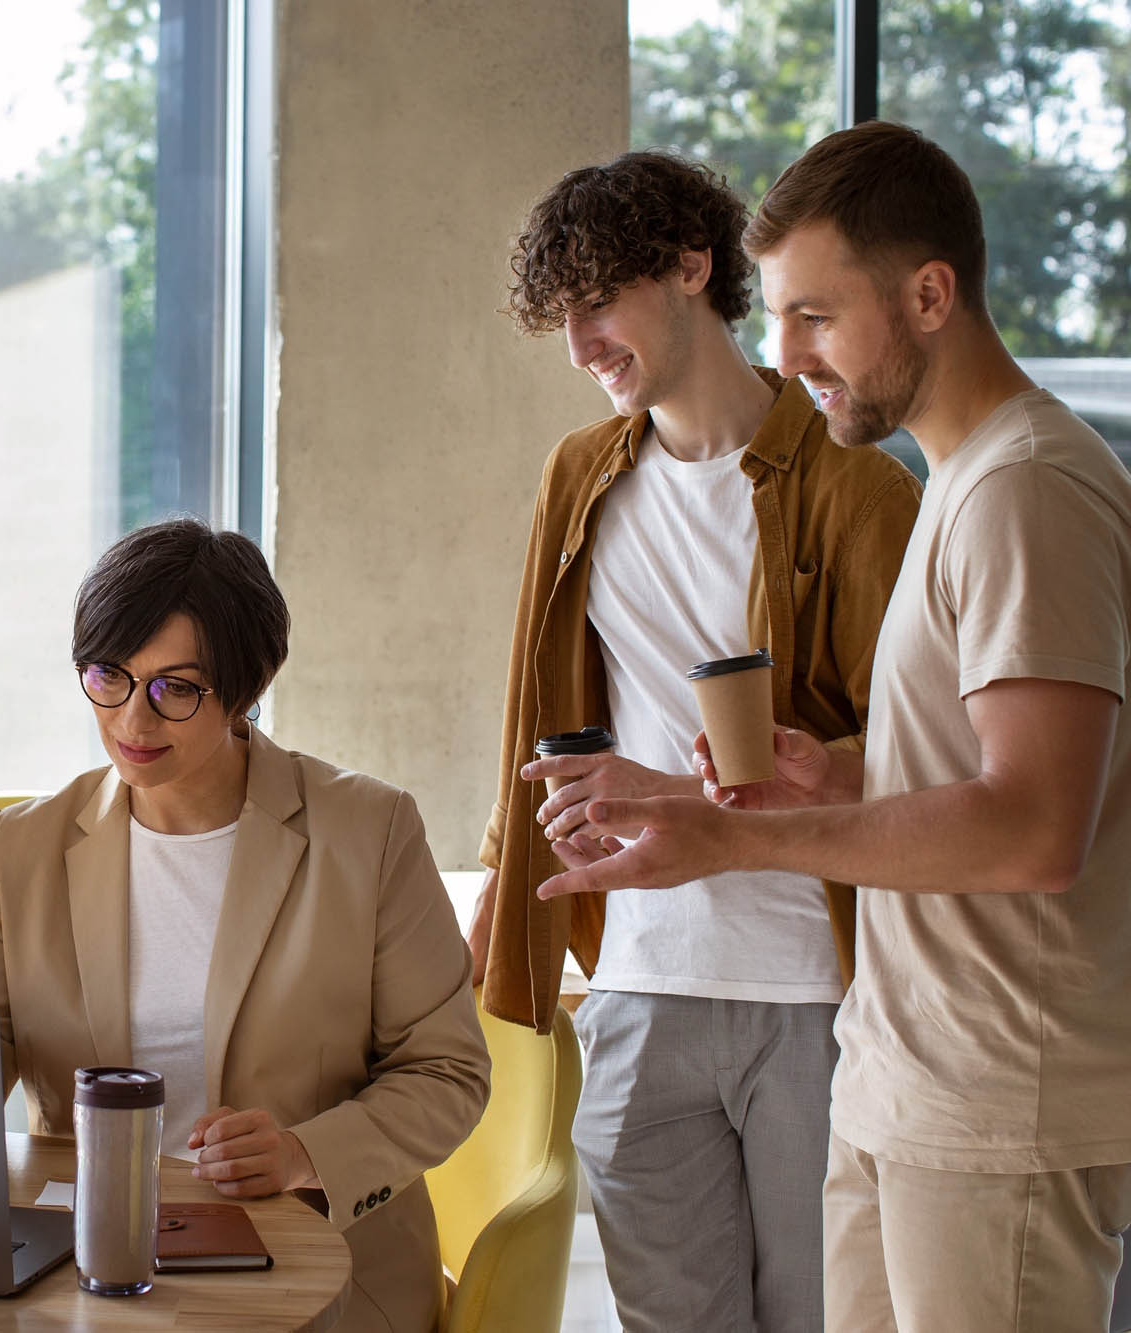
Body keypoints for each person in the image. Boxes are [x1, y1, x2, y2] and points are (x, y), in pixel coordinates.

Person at [537, 121, 1131, 1331]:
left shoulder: (1023, 490)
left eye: (814, 315)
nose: (788, 348)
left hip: (992, 1102)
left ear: (927, 294)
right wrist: (831, 773)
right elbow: (958, 767)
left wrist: (732, 841)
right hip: (904, 1077)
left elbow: (1031, 827)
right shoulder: (964, 481)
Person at [470, 151, 919, 1331]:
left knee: (828, 1317)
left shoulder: (857, 485)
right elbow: (533, 710)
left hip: (813, 990)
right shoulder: (578, 477)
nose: (578, 347)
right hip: (633, 984)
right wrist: (495, 889)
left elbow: (928, 756)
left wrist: (693, 788)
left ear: (688, 265)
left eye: (594, 305)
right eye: (556, 321)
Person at [0, 518, 490, 1333]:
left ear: (243, 688)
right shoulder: (31, 841)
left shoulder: (368, 831)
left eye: (175, 687)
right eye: (109, 676)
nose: (133, 720)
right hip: (85, 1276)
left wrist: (305, 1153)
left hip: (311, 1272)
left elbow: (446, 1072)